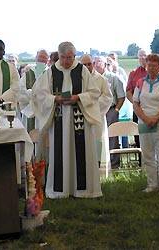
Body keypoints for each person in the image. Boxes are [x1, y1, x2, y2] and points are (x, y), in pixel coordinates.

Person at [33, 41, 102, 199]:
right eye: (62, 57)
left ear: (74, 56)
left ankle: (83, 190)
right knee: (60, 151)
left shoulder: (82, 70)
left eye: (69, 58)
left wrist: (78, 97)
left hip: (79, 118)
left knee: (80, 152)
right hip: (59, 118)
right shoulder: (51, 72)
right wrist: (55, 99)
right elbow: (40, 94)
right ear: (58, 56)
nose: (65, 61)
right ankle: (61, 191)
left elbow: (94, 92)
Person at [133, 53, 159, 195]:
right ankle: (152, 185)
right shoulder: (140, 83)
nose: (150, 68)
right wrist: (145, 119)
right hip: (144, 123)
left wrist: (156, 118)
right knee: (148, 155)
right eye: (149, 65)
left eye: (154, 65)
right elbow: (136, 103)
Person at [80, 54, 113, 170]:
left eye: (89, 64)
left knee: (97, 141)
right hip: (81, 117)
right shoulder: (77, 79)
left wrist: (91, 105)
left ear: (93, 64)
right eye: (84, 64)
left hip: (97, 117)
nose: (87, 66)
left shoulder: (101, 79)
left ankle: (99, 171)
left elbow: (108, 98)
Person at [93, 56, 125, 169]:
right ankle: (99, 163)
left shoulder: (114, 78)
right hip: (95, 111)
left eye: (98, 62)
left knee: (112, 137)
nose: (95, 65)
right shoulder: (92, 79)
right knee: (97, 136)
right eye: (94, 63)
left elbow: (121, 96)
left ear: (105, 64)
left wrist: (116, 110)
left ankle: (115, 164)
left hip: (111, 110)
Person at [126, 49, 148, 165]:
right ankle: (141, 162)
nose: (142, 58)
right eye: (140, 56)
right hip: (138, 108)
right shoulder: (133, 73)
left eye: (144, 56)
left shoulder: (154, 72)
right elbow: (128, 91)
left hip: (152, 109)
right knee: (138, 134)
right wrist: (135, 103)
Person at [19, 49, 49, 131]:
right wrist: (31, 95)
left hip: (44, 111)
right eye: (40, 57)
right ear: (36, 58)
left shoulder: (49, 73)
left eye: (44, 57)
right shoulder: (28, 74)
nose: (42, 59)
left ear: (47, 60)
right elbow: (21, 91)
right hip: (30, 109)